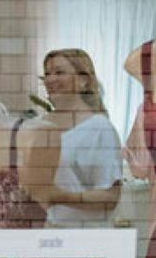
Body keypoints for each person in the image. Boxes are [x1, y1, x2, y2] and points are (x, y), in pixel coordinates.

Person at [38, 48, 123, 227]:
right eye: (47, 73)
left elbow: (110, 197)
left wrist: (61, 197)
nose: (50, 79)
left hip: (86, 242)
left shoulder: (99, 128)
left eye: (59, 72)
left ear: (83, 81)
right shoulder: (37, 126)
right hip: (43, 240)